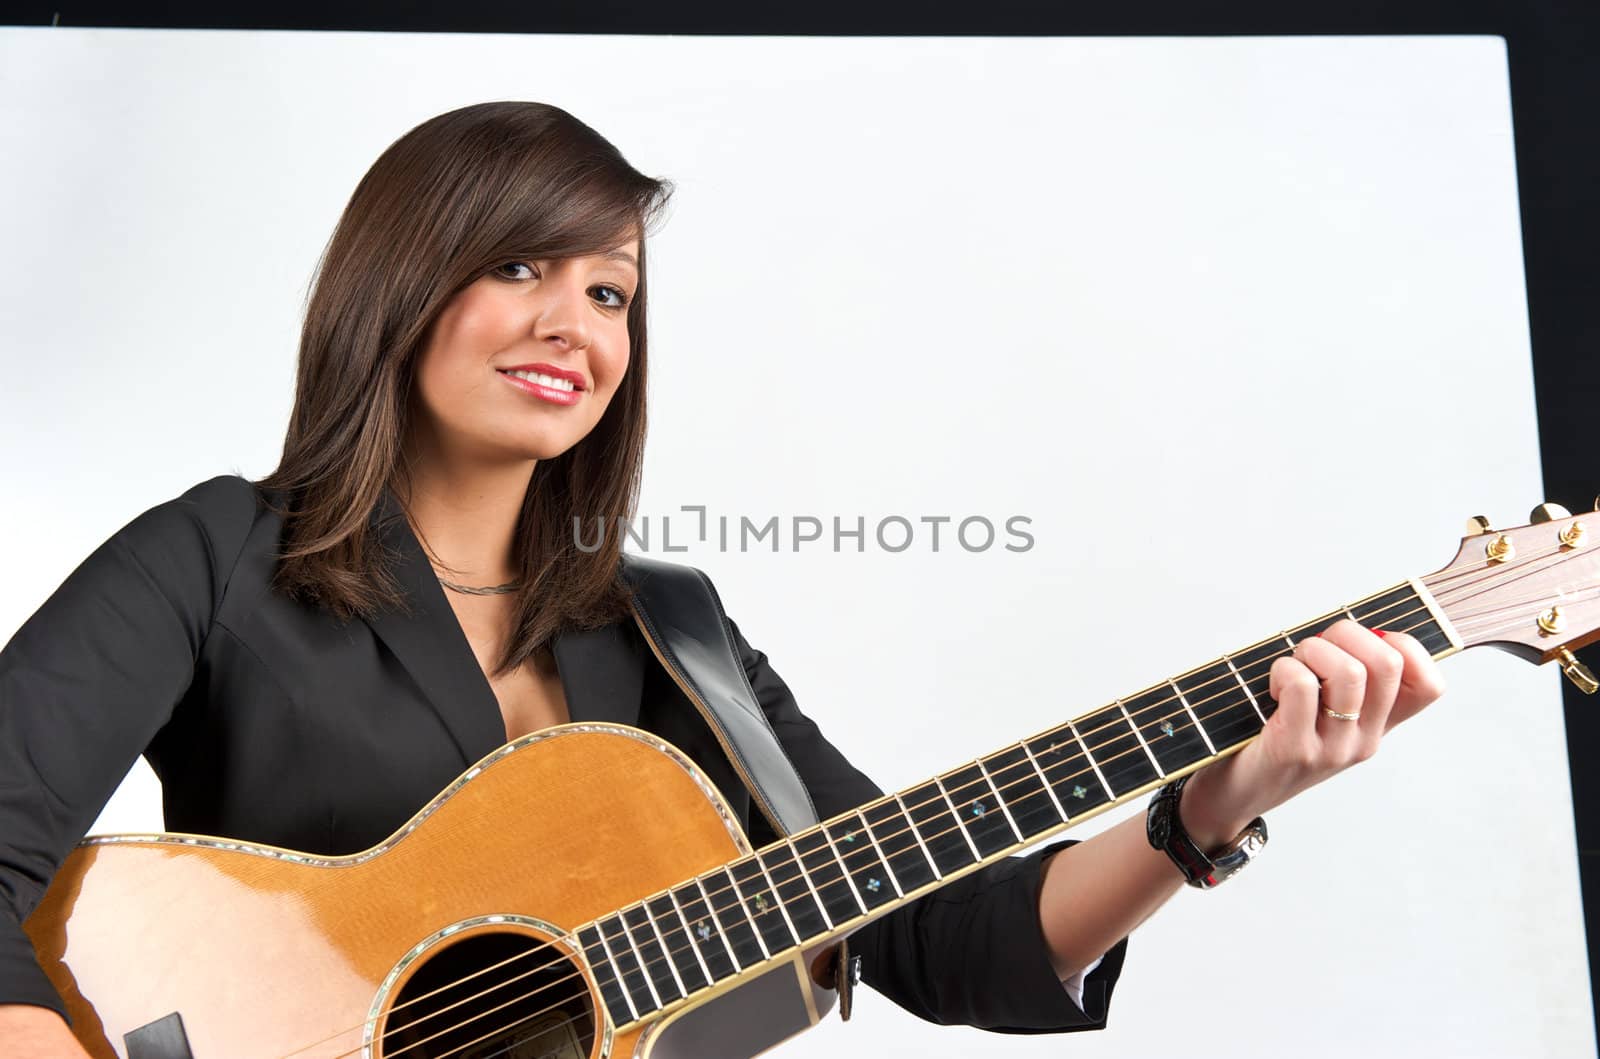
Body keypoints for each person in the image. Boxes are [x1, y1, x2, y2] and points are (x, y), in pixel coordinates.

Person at [0, 101, 1446, 1057]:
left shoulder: (667, 633)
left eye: (612, 291)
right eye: (522, 265)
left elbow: (937, 938)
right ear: (402, 281)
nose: (576, 320)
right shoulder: (215, 556)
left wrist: (1213, 808)